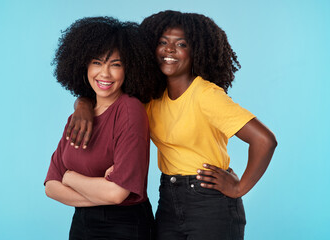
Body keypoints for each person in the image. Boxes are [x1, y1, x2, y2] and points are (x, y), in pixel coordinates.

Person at [66, 11, 277, 240]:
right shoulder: (151, 97)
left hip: (209, 203)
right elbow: (106, 93)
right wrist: (83, 105)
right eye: (163, 42)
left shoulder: (206, 94)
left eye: (181, 44)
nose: (169, 49)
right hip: (168, 199)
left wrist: (239, 188)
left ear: (196, 50)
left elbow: (264, 140)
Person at [44, 16, 164, 240]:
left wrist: (70, 178)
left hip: (124, 226)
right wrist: (99, 191)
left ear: (130, 68)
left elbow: (117, 193)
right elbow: (51, 186)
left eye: (115, 64)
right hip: (81, 224)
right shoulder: (78, 117)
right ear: (84, 65)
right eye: (97, 62)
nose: (105, 74)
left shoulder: (130, 110)